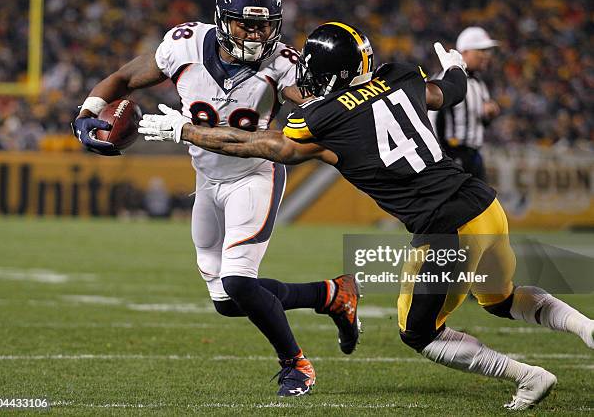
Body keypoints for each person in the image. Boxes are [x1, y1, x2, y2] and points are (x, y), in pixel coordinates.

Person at [139, 22, 594, 410]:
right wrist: (455, 66)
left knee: (419, 334)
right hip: (484, 205)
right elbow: (448, 92)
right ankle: (586, 328)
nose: (307, 80)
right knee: (500, 299)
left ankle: (527, 376)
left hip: (443, 230)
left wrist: (186, 130)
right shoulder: (399, 76)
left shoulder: (326, 116)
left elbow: (267, 146)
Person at [71, 0, 362, 397]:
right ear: (223, 20)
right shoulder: (184, 45)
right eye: (247, 24)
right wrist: (87, 111)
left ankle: (295, 365)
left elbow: (321, 106)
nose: (258, 33)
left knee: (240, 281)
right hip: (207, 179)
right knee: (227, 302)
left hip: (254, 176)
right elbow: (122, 78)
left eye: (265, 25)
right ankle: (333, 295)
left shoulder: (283, 64)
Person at [430, 26, 500, 180]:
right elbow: (432, 118)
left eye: (487, 51)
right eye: (481, 51)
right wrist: (440, 157)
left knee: (482, 201)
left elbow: (478, 122)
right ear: (465, 52)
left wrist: (489, 114)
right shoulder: (445, 77)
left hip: (474, 154)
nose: (486, 56)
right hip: (452, 153)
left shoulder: (479, 83)